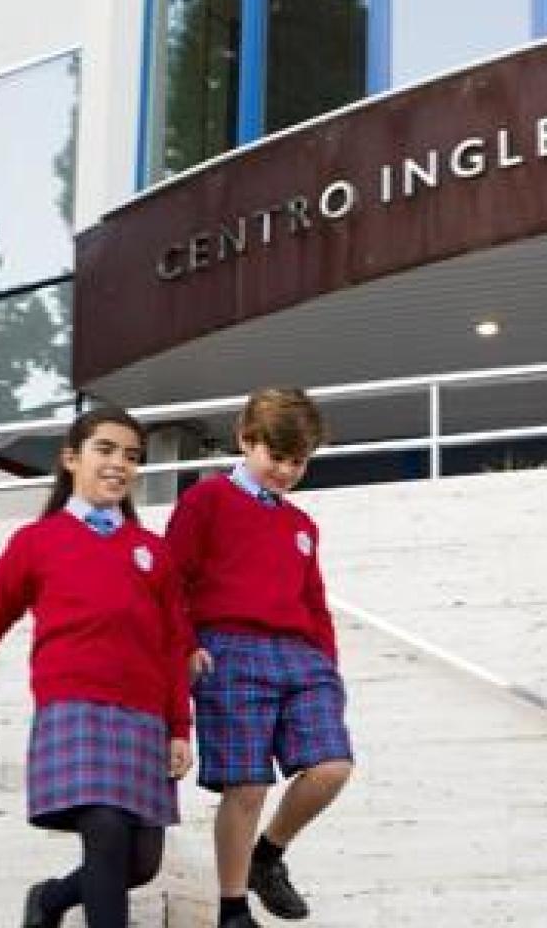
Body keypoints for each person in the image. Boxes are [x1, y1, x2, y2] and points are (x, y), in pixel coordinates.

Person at [0, 406, 193, 928]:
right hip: (75, 709)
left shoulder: (153, 551)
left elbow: (176, 644)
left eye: (131, 456)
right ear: (70, 459)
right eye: (105, 450)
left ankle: (51, 900)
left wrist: (179, 728)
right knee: (104, 827)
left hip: (144, 718)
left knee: (141, 863)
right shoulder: (36, 542)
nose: (119, 464)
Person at [167, 388, 352, 927]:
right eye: (277, 457)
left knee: (332, 767)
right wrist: (185, 643)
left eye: (299, 462)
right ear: (247, 440)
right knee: (247, 785)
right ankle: (231, 907)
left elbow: (315, 602)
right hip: (227, 650)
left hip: (302, 658)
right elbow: (170, 580)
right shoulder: (206, 500)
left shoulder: (302, 527)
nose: (287, 471)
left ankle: (267, 855)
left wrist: (329, 665)